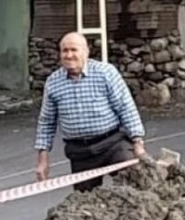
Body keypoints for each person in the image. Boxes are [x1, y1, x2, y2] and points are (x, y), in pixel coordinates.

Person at [34, 31, 147, 191]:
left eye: (74, 50)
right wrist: (42, 160)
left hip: (112, 144)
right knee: (84, 203)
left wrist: (138, 143)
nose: (69, 55)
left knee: (133, 187)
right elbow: (46, 122)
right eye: (64, 51)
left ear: (86, 52)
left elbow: (126, 108)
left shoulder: (105, 73)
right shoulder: (53, 83)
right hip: (80, 152)